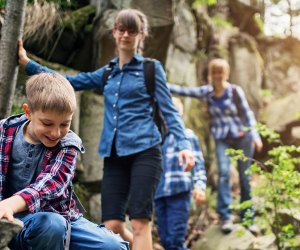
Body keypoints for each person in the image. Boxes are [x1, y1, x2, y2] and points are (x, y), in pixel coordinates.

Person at [18, 8, 195, 250]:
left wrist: (184, 145)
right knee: (112, 226)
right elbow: (69, 81)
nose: (126, 35)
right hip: (113, 154)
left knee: (140, 222)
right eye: (121, 29)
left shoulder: (151, 69)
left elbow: (169, 111)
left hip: (145, 151)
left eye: (132, 31)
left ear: (141, 35)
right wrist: (29, 65)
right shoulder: (108, 72)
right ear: (114, 32)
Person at [0, 73, 129, 250]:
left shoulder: (69, 144)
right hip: (9, 218)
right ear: (28, 112)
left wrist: (10, 204)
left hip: (55, 216)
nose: (55, 133)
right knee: (52, 226)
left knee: (113, 246)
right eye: (47, 123)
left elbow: (50, 184)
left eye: (64, 124)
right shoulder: (4, 131)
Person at [168, 58, 263, 235]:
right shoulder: (207, 92)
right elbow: (185, 91)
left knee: (244, 177)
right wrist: (160, 84)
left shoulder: (235, 91)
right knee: (224, 174)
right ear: (210, 75)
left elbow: (247, 114)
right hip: (222, 139)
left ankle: (248, 218)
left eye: (221, 72)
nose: (218, 76)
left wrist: (255, 136)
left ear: (226, 74)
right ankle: (225, 217)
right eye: (214, 73)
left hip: (242, 137)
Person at [154, 97, 207, 250]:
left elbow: (198, 165)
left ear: (181, 115)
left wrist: (200, 186)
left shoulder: (187, 135)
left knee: (175, 240)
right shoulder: (157, 138)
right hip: (159, 195)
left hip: (179, 192)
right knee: (165, 240)